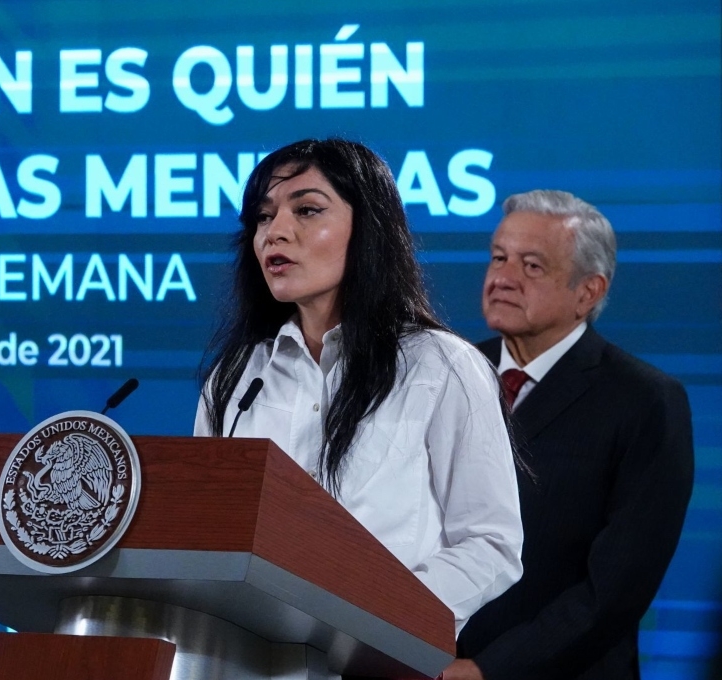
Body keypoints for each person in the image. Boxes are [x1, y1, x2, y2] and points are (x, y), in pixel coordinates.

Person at [193, 138, 524, 634]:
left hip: (380, 656)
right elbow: (207, 537)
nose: (275, 233)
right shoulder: (236, 379)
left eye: (306, 210)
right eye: (263, 217)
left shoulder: (441, 366)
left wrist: (379, 612)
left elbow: (490, 544)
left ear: (368, 229)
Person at [447, 190, 695, 680]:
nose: (502, 278)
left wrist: (487, 670)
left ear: (588, 292)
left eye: (532, 266)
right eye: (499, 257)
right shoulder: (446, 374)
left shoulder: (645, 402)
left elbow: (614, 589)